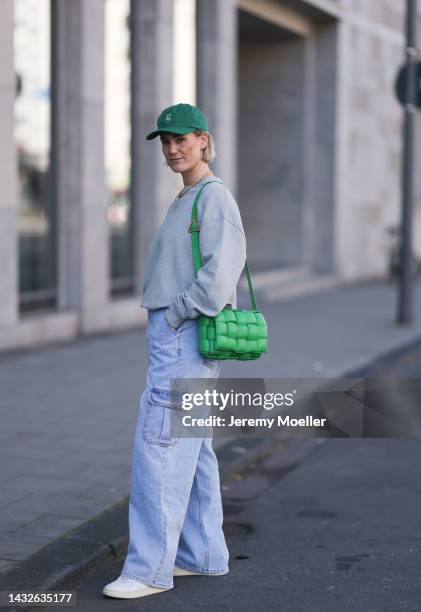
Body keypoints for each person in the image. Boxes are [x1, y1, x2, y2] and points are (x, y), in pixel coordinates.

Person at [103, 103, 247, 599]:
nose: (171, 149)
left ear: (203, 139)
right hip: (178, 333)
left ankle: (147, 570)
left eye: (181, 139)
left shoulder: (213, 197)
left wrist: (176, 313)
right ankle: (202, 555)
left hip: (183, 334)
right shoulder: (187, 197)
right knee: (193, 447)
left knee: (159, 448)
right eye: (165, 141)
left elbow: (221, 269)